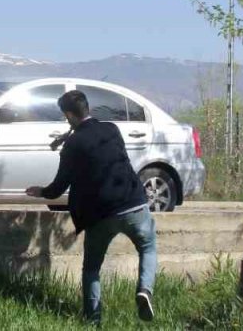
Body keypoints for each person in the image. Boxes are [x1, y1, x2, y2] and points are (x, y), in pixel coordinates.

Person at [26, 90, 157, 325]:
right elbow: (101, 149)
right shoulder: (111, 130)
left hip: (101, 215)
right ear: (87, 107)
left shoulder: (72, 145)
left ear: (68, 114)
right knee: (147, 247)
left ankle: (93, 319)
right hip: (133, 203)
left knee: (92, 269)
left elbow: (59, 187)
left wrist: (41, 191)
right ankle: (145, 289)